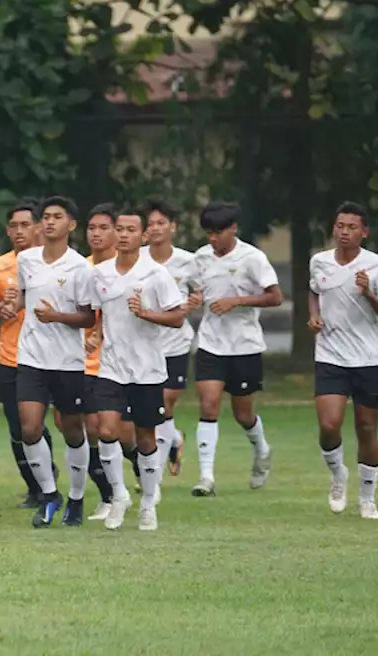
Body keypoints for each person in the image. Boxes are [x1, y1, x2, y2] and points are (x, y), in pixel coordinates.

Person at [87, 208, 187, 532]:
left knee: (145, 438)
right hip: (111, 366)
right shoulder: (100, 273)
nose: (125, 234)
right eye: (121, 229)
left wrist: (145, 314)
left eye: (132, 229)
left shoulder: (155, 274)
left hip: (147, 369)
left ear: (143, 236)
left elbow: (177, 317)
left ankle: (147, 502)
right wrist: (95, 335)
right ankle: (119, 496)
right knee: (106, 431)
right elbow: (100, 314)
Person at [6, 196, 96, 528]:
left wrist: (55, 316)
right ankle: (48, 496)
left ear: (71, 225)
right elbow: (25, 297)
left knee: (72, 429)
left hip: (67, 361)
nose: (49, 222)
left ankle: (75, 497)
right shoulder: (27, 259)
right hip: (31, 357)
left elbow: (88, 318)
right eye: (45, 217)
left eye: (57, 217)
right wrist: (12, 305)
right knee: (29, 427)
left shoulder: (79, 267)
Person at [189, 201, 282, 497]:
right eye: (208, 233)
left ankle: (261, 450)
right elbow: (195, 290)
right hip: (210, 343)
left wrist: (236, 301)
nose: (212, 239)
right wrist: (194, 299)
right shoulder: (201, 258)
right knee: (208, 404)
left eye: (218, 233)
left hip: (244, 345)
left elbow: (275, 297)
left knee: (243, 414)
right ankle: (206, 478)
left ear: (233, 229)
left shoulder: (252, 258)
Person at [307, 202, 378, 519]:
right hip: (330, 354)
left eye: (352, 227)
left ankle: (367, 497)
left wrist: (368, 294)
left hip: (369, 356)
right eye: (340, 226)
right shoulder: (319, 261)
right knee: (328, 424)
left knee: (366, 427)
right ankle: (338, 474)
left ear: (364, 232)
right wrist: (314, 316)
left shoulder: (377, 266)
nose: (344, 232)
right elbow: (314, 292)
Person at [0, 201, 57, 509]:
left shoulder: (58, 264)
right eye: (14, 226)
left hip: (57, 356)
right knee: (21, 426)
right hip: (14, 357)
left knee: (69, 422)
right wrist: (5, 306)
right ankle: (37, 486)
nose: (19, 231)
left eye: (26, 225)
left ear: (39, 227)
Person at [141, 199, 195, 478]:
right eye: (150, 224)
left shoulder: (188, 261)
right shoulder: (136, 259)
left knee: (166, 400)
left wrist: (197, 300)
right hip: (144, 342)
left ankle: (156, 475)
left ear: (173, 227)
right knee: (151, 407)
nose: (156, 228)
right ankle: (173, 439)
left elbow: (201, 292)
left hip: (176, 341)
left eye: (161, 223)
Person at [81, 204, 119, 521]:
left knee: (129, 435)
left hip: (125, 363)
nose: (96, 233)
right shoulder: (82, 269)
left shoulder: (132, 269)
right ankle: (109, 496)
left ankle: (149, 473)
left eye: (102, 227)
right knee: (94, 429)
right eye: (91, 227)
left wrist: (102, 332)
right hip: (87, 364)